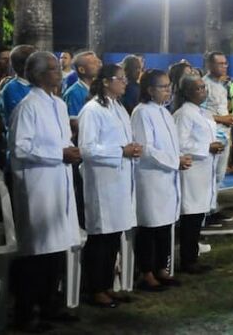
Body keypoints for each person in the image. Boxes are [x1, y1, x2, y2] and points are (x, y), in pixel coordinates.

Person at [9, 51, 81, 329]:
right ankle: (25, 313)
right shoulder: (27, 107)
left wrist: (68, 152)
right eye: (53, 69)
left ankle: (51, 304)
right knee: (37, 252)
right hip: (38, 185)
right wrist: (59, 153)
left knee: (57, 248)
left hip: (58, 183)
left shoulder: (58, 105)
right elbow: (21, 147)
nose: (59, 73)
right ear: (38, 75)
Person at [77, 63, 140, 308]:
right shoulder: (92, 110)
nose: (125, 82)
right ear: (105, 82)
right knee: (100, 236)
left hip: (119, 178)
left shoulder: (118, 108)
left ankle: (107, 284)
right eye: (120, 79)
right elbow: (88, 149)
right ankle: (95, 288)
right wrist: (120, 151)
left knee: (113, 236)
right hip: (102, 180)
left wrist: (130, 149)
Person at [131, 69, 188, 291]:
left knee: (165, 226)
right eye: (163, 87)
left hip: (167, 177)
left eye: (168, 86)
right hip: (151, 177)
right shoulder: (142, 112)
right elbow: (147, 149)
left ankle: (162, 269)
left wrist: (177, 159)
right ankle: (147, 273)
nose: (168, 91)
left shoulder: (164, 112)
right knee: (150, 227)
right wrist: (175, 161)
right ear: (149, 90)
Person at [173, 73, 224, 274]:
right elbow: (180, 143)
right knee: (190, 218)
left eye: (204, 87)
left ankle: (192, 256)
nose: (203, 91)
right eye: (198, 88)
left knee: (197, 216)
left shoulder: (203, 113)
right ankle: (188, 259)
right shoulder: (184, 114)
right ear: (187, 92)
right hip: (191, 170)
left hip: (204, 170)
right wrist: (206, 146)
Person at [202, 52, 233, 222]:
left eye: (225, 63)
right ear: (210, 65)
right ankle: (205, 211)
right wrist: (223, 119)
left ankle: (212, 208)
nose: (224, 66)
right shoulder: (203, 85)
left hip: (224, 134)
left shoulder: (222, 86)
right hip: (211, 136)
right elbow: (199, 112)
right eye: (220, 63)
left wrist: (228, 117)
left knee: (219, 175)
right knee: (210, 175)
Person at [63, 51, 101, 120]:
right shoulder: (73, 93)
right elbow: (74, 122)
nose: (98, 65)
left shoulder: (99, 89)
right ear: (82, 70)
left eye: (98, 62)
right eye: (93, 63)